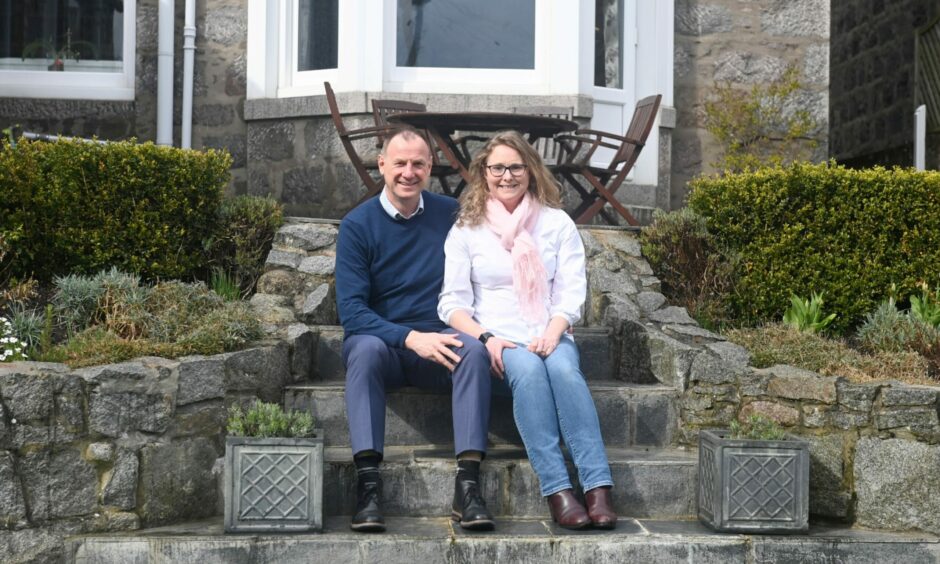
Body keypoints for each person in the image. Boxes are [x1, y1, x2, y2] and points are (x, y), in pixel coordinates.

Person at [437, 130, 617, 529]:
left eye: (515, 167)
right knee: (532, 373)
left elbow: (571, 292)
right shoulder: (467, 229)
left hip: (550, 331)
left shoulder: (556, 224)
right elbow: (451, 303)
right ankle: (558, 490)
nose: (506, 175)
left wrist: (553, 332)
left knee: (565, 371)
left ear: (531, 171)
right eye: (497, 167)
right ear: (484, 173)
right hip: (499, 339)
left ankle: (597, 486)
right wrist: (487, 339)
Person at [335, 127, 496, 533]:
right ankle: (368, 487)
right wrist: (408, 338)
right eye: (400, 163)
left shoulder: (450, 213)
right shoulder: (357, 225)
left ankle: (469, 487)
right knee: (364, 349)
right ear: (382, 165)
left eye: (418, 163)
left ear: (430, 168)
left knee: (473, 350)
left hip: (439, 340)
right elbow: (352, 312)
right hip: (385, 346)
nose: (409, 172)